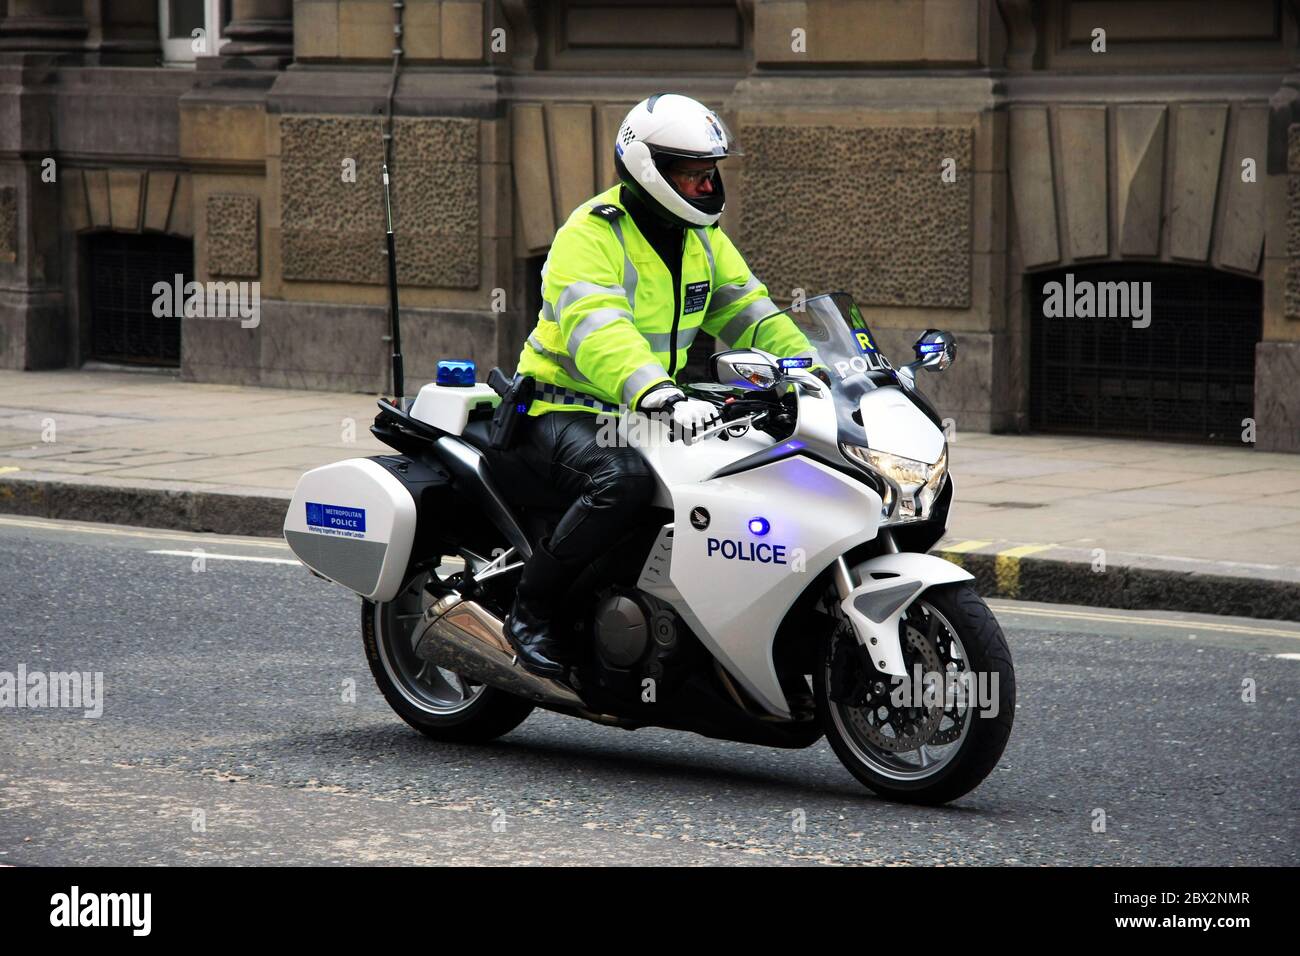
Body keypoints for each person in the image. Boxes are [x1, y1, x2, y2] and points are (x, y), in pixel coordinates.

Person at [503, 93, 811, 677]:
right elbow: (599, 329)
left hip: (650, 408)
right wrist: (653, 389)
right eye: (691, 173)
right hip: (561, 406)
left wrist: (811, 368)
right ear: (648, 168)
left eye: (709, 172)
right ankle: (530, 613)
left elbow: (752, 314)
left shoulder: (703, 241)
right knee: (621, 481)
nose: (705, 185)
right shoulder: (592, 234)